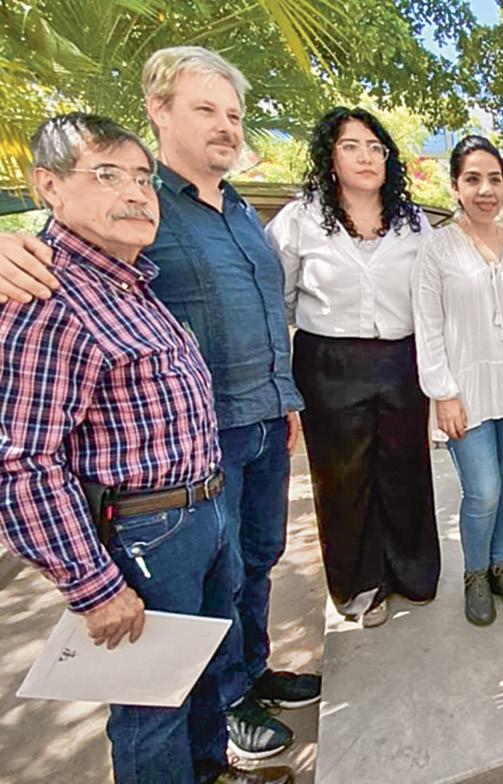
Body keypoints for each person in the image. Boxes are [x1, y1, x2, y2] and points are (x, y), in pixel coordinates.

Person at [0, 47, 316, 760]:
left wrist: (285, 398)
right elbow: (54, 271)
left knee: (253, 562)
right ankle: (229, 701)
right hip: (180, 458)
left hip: (263, 418)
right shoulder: (137, 217)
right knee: (172, 654)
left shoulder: (241, 211)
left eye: (233, 113)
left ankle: (252, 672)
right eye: (205, 109)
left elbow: (263, 312)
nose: (226, 126)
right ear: (159, 111)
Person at [265, 107, 439, 629]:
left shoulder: (413, 222)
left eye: (375, 147)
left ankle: (412, 573)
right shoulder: (299, 220)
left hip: (401, 360)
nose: (365, 157)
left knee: (405, 470)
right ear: (331, 157)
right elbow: (279, 297)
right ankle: (361, 587)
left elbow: (432, 295)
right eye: (351, 146)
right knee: (344, 481)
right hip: (330, 363)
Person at [412, 135, 503, 626]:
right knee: (482, 490)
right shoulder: (436, 248)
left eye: (495, 179)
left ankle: (502, 564)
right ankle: (475, 573)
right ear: (455, 186)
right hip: (464, 389)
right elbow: (428, 325)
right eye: (473, 179)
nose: (486, 190)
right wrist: (443, 393)